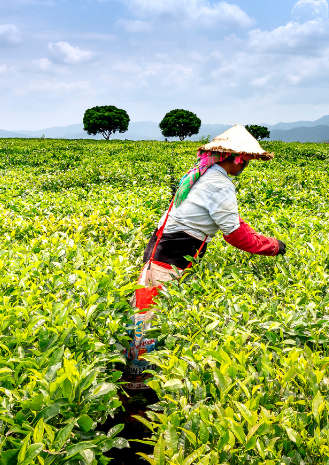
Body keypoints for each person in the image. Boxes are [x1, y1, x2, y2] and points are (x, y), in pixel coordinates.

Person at [123, 125, 287, 390]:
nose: (245, 166)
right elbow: (234, 234)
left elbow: (229, 219)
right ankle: (137, 387)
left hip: (159, 251)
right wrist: (271, 246)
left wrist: (260, 237)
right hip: (168, 259)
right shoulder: (220, 184)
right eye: (245, 161)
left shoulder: (201, 174)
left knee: (144, 312)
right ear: (235, 159)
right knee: (147, 319)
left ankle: (138, 379)